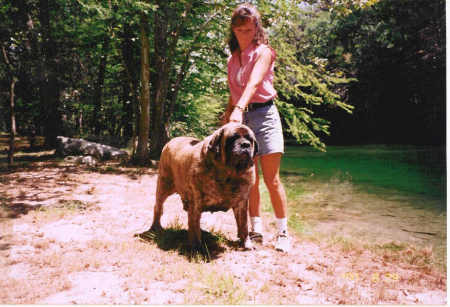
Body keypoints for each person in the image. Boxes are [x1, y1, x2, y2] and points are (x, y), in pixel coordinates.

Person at [223, 3, 290, 253]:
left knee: (272, 179)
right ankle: (256, 229)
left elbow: (253, 84)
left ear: (256, 29)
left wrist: (238, 109)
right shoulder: (232, 60)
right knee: (250, 179)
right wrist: (228, 114)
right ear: (233, 29)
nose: (246, 35)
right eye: (241, 30)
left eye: (250, 30)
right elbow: (234, 92)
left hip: (265, 115)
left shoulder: (264, 52)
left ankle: (283, 233)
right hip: (242, 120)